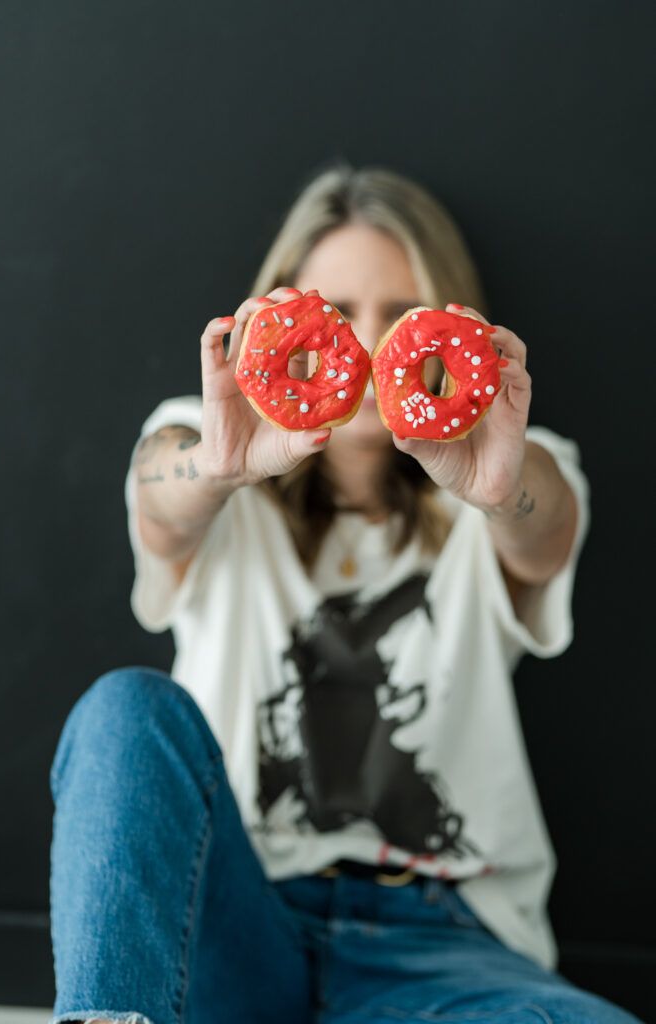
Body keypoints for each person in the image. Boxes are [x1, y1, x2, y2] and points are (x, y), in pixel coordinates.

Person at [48, 163, 642, 1024]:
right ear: (283, 319)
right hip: (229, 914)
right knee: (124, 710)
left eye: (400, 314)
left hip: (442, 943)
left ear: (444, 327)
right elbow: (160, 499)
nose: (366, 348)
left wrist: (496, 484)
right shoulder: (211, 441)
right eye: (339, 313)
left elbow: (542, 528)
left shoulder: (505, 463)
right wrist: (216, 469)